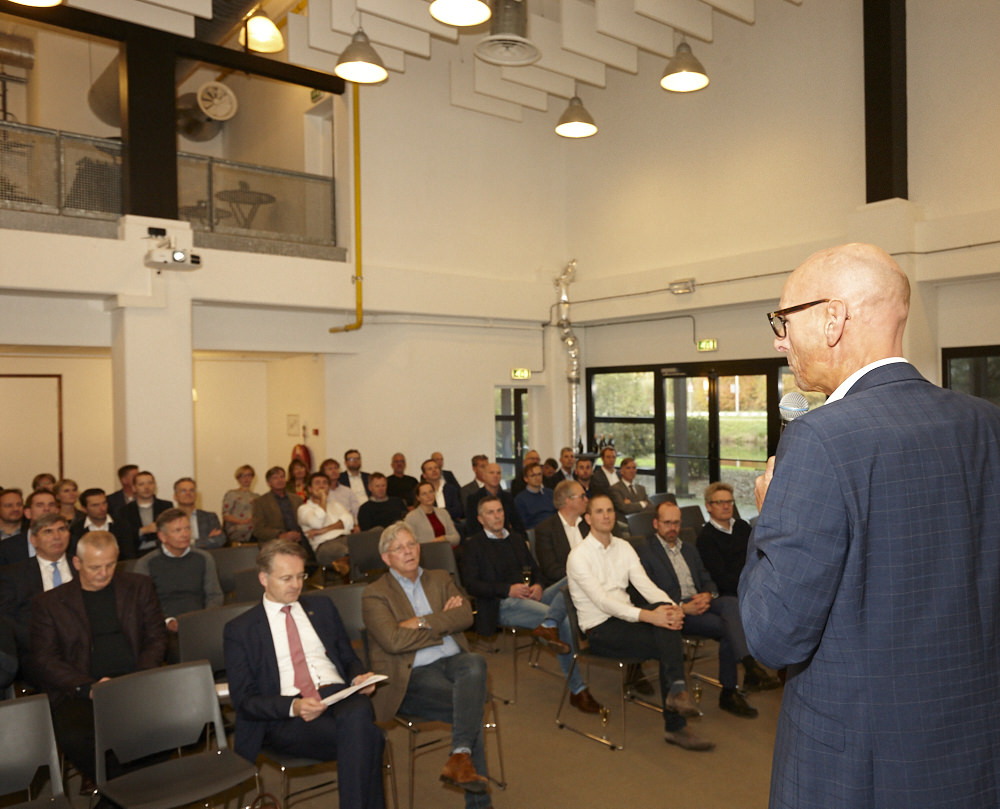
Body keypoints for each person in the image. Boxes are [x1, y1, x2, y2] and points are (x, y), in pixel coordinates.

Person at [740, 243, 1000, 808]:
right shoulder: (987, 424)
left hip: (860, 770)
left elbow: (773, 636)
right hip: (974, 748)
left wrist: (767, 514)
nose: (779, 340)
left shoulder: (820, 439)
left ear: (833, 319)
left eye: (784, 320)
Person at [223, 539, 385, 809]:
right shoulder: (240, 629)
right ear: (263, 578)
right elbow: (244, 700)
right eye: (286, 578)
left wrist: (357, 677)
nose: (296, 585)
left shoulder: (322, 607)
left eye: (300, 576)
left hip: (338, 694)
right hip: (286, 714)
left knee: (358, 713)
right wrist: (293, 706)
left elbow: (348, 658)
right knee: (369, 736)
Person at [566, 494, 713, 751]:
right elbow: (603, 602)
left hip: (627, 619)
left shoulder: (623, 547)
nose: (606, 515)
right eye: (599, 511)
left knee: (665, 619)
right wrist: (650, 616)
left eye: (610, 510)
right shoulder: (578, 556)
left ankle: (677, 697)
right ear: (588, 518)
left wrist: (673, 607)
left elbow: (645, 585)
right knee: (667, 637)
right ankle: (676, 719)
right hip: (600, 629)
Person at [363, 523, 491, 805]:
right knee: (468, 705)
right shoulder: (375, 593)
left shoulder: (440, 577)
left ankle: (459, 757)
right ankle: (478, 800)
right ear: (386, 558)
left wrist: (420, 622)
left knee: (475, 662)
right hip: (412, 674)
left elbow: (465, 616)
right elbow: (393, 641)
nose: (408, 551)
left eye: (412, 544)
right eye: (399, 548)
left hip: (454, 661)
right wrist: (442, 623)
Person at [29, 530, 167, 782]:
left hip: (136, 680)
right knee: (75, 736)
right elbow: (46, 659)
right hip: (81, 690)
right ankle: (119, 787)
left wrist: (138, 678)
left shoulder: (139, 586)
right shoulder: (49, 603)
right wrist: (88, 687)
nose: (104, 573)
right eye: (95, 567)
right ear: (77, 563)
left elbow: (156, 637)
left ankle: (137, 787)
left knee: (166, 723)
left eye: (110, 565)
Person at [636, 502, 776, 719]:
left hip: (700, 601)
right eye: (667, 523)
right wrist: (682, 606)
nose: (672, 528)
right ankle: (732, 689)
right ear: (655, 524)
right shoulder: (645, 553)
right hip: (676, 611)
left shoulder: (688, 549)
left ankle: (749, 668)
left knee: (731, 603)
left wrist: (709, 594)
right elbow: (647, 593)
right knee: (729, 627)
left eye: (676, 523)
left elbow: (706, 578)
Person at [461, 496, 601, 714]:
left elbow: (536, 570)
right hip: (503, 603)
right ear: (480, 519)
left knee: (574, 577)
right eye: (490, 512)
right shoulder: (473, 545)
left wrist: (538, 585)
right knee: (563, 619)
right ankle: (577, 689)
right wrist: (507, 590)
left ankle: (553, 626)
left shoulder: (516, 538)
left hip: (532, 596)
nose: (497, 516)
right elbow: (471, 584)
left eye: (499, 511)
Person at [0, 513, 75, 675]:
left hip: (83, 645)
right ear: (33, 540)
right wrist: (41, 641)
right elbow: (6, 619)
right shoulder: (13, 575)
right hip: (37, 650)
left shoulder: (82, 567)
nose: (57, 536)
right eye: (48, 531)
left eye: (62, 529)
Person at [133, 508, 224, 634]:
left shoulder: (204, 558)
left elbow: (214, 595)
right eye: (177, 530)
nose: (184, 534)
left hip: (200, 622)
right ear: (162, 536)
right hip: (160, 627)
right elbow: (143, 603)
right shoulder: (146, 563)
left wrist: (203, 619)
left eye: (187, 528)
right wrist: (167, 621)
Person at [696, 482, 751, 599]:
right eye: (720, 502)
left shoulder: (742, 526)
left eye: (729, 502)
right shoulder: (705, 538)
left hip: (756, 583)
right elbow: (721, 579)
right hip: (732, 594)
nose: (726, 506)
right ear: (708, 506)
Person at [533, 480, 588, 587]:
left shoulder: (588, 523)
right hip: (565, 585)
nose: (586, 500)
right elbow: (551, 570)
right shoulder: (546, 529)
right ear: (568, 500)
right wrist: (583, 576)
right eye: (582, 496)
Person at [297, 472, 354, 570]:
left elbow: (350, 522)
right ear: (310, 489)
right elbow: (317, 523)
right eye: (317, 483)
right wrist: (323, 499)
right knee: (349, 551)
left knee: (374, 535)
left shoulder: (335, 505)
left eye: (325, 483)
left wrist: (322, 530)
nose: (321, 486)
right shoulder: (304, 509)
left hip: (346, 538)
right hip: (325, 545)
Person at [117, 470, 172, 556]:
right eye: (141, 484)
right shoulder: (125, 511)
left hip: (163, 552)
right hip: (135, 555)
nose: (146, 487)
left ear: (155, 486)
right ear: (134, 488)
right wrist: (142, 531)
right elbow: (123, 538)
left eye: (150, 483)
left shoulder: (166, 507)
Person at [0, 489, 58, 566]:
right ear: (28, 513)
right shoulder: (6, 547)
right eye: (40, 505)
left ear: (57, 511)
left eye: (51, 505)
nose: (47, 509)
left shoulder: (70, 543)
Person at [69, 488, 131, 559]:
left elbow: (129, 555)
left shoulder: (122, 525)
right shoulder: (76, 529)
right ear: (84, 509)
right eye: (95, 505)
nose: (102, 508)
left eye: (104, 503)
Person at [464, 463, 523, 534]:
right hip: (482, 538)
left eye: (498, 473)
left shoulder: (507, 497)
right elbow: (472, 527)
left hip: (505, 536)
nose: (495, 476)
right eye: (491, 473)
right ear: (484, 476)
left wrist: (523, 539)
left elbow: (517, 522)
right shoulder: (474, 499)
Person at [252, 466, 304, 545]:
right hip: (275, 542)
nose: (280, 480)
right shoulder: (260, 502)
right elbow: (258, 530)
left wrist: (300, 535)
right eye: (275, 478)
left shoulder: (297, 499)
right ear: (268, 483)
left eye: (282, 477)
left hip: (299, 540)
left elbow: (305, 522)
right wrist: (280, 535)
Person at [173, 477, 225, 549]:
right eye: (183, 491)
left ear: (196, 495)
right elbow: (168, 542)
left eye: (192, 490)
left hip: (204, 555)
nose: (188, 493)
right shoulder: (169, 518)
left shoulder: (210, 517)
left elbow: (219, 540)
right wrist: (206, 540)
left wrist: (191, 542)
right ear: (175, 496)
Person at [405, 481, 460, 546]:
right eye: (424, 494)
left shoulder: (443, 513)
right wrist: (433, 543)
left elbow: (456, 538)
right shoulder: (411, 517)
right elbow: (410, 542)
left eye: (431, 492)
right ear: (418, 498)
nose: (429, 496)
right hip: (426, 551)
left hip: (447, 549)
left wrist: (444, 538)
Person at [222, 465, 259, 545]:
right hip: (238, 526)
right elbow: (226, 515)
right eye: (243, 476)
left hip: (254, 525)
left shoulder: (257, 496)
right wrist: (242, 521)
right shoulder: (232, 494)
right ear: (238, 478)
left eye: (249, 475)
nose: (246, 478)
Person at [608, 457, 652, 524]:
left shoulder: (641, 488)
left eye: (634, 468)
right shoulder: (615, 489)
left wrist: (631, 504)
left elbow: (651, 507)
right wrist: (642, 504)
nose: (632, 471)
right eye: (628, 468)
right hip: (625, 524)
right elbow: (624, 508)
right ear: (621, 471)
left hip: (643, 521)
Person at [513, 461, 555, 530]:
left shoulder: (551, 493)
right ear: (526, 479)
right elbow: (522, 525)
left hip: (554, 528)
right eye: (533, 475)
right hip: (536, 531)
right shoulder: (520, 499)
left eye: (539, 474)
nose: (537, 478)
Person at [419, 458, 464, 523]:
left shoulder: (451, 489)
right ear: (424, 475)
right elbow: (424, 512)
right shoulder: (421, 491)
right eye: (430, 469)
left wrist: (438, 512)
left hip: (452, 523)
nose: (434, 470)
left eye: (436, 468)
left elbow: (458, 511)